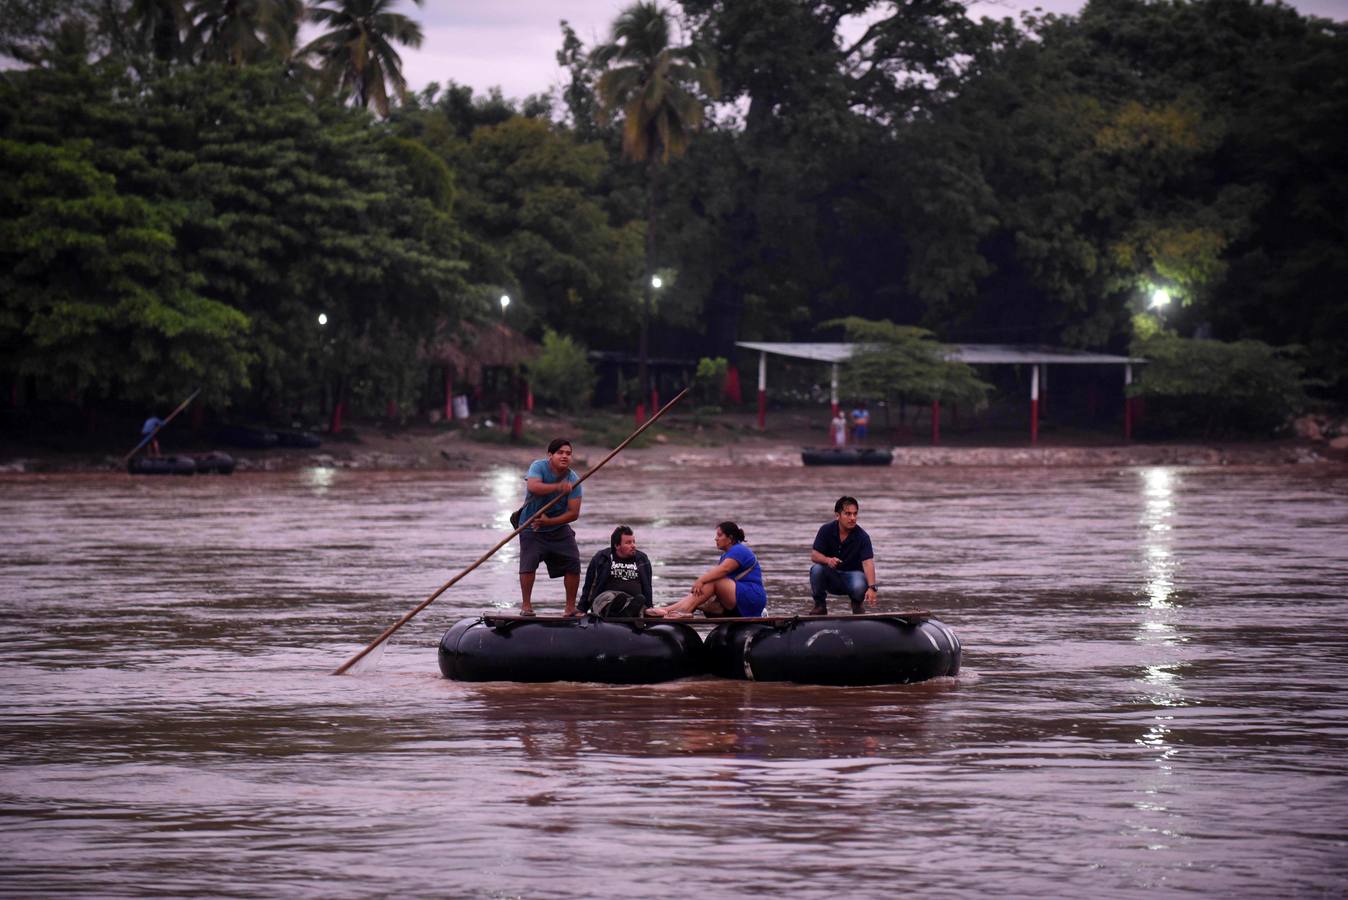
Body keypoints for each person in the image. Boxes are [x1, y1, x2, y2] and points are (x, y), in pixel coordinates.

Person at [517, 438, 584, 616]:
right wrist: (558, 488)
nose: (564, 456)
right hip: (531, 526)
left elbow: (573, 513)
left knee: (573, 563)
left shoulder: (573, 479)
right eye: (560, 453)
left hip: (557, 527)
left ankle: (570, 608)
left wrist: (549, 522)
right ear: (550, 455)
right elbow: (533, 486)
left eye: (568, 454)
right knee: (528, 564)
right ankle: (526, 606)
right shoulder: (538, 467)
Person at [647, 521, 766, 619]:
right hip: (738, 597)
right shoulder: (727, 554)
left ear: (730, 538)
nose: (716, 539)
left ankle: (684, 611)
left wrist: (701, 580)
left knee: (713, 580)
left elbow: (723, 570)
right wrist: (701, 583)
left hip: (751, 597)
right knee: (701, 589)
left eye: (719, 535)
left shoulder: (739, 550)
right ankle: (667, 610)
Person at [807, 495, 878, 615]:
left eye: (855, 514)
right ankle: (820, 606)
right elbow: (814, 555)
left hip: (854, 578)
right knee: (816, 570)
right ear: (837, 515)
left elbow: (868, 563)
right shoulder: (826, 530)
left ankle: (857, 604)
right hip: (832, 576)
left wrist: (872, 588)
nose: (852, 518)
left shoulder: (863, 537)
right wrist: (828, 560)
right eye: (848, 514)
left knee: (860, 582)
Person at [578, 525, 654, 617]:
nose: (633, 546)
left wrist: (650, 608)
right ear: (617, 545)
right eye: (628, 543)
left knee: (639, 600)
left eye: (634, 542)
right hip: (607, 599)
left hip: (631, 600)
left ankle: (627, 612)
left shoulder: (642, 559)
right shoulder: (602, 557)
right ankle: (612, 611)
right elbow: (589, 586)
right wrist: (582, 609)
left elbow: (647, 586)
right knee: (611, 597)